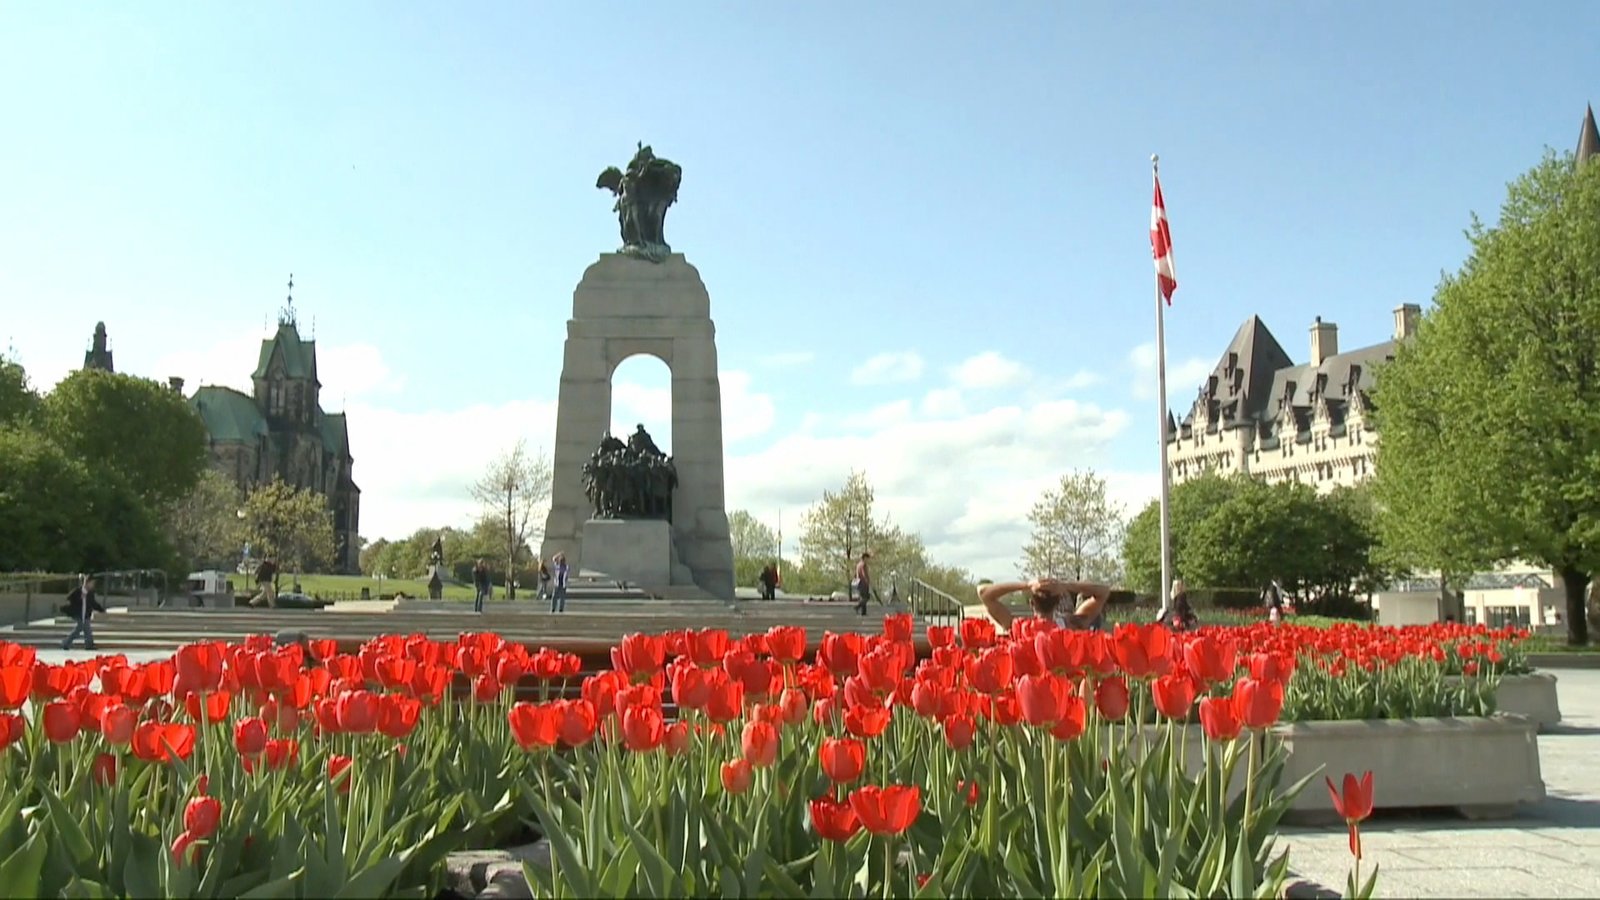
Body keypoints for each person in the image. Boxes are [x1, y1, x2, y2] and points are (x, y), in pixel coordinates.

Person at [977, 576, 1112, 632]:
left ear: (1031, 604)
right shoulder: (1071, 624)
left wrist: (1027, 585)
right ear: (1058, 601)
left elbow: (984, 593)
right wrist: (1065, 585)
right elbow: (1104, 592)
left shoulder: (1019, 629)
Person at [61, 576, 106, 651]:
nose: (93, 585)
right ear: (87, 583)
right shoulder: (78, 591)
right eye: (92, 583)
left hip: (86, 615)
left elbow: (93, 603)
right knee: (82, 629)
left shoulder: (90, 593)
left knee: (85, 629)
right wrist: (79, 598)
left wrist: (101, 609)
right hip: (78, 614)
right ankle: (68, 643)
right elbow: (69, 599)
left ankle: (68, 643)